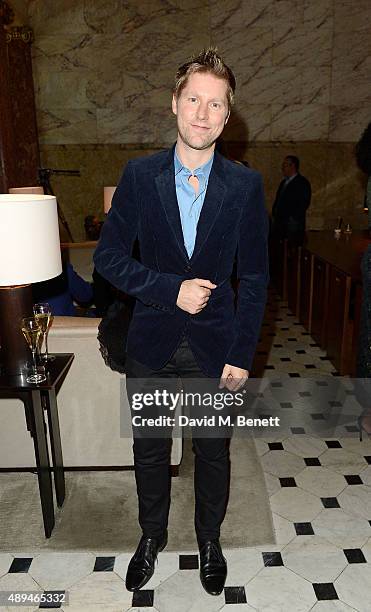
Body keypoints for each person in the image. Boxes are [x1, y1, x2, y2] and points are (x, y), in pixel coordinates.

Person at [94, 48, 269, 596]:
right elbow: (109, 258)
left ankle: (209, 540)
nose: (202, 112)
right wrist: (170, 290)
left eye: (214, 104)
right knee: (149, 450)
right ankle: (150, 538)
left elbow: (257, 281)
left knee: (212, 449)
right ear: (175, 104)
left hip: (215, 346)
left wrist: (242, 355)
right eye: (193, 98)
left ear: (226, 117)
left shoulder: (243, 187)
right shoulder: (140, 176)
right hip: (151, 340)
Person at [271, 155, 311, 243]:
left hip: (292, 225)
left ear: (292, 166)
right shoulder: (283, 182)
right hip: (280, 224)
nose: (282, 167)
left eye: (285, 165)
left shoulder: (302, 182)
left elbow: (303, 203)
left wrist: (292, 218)